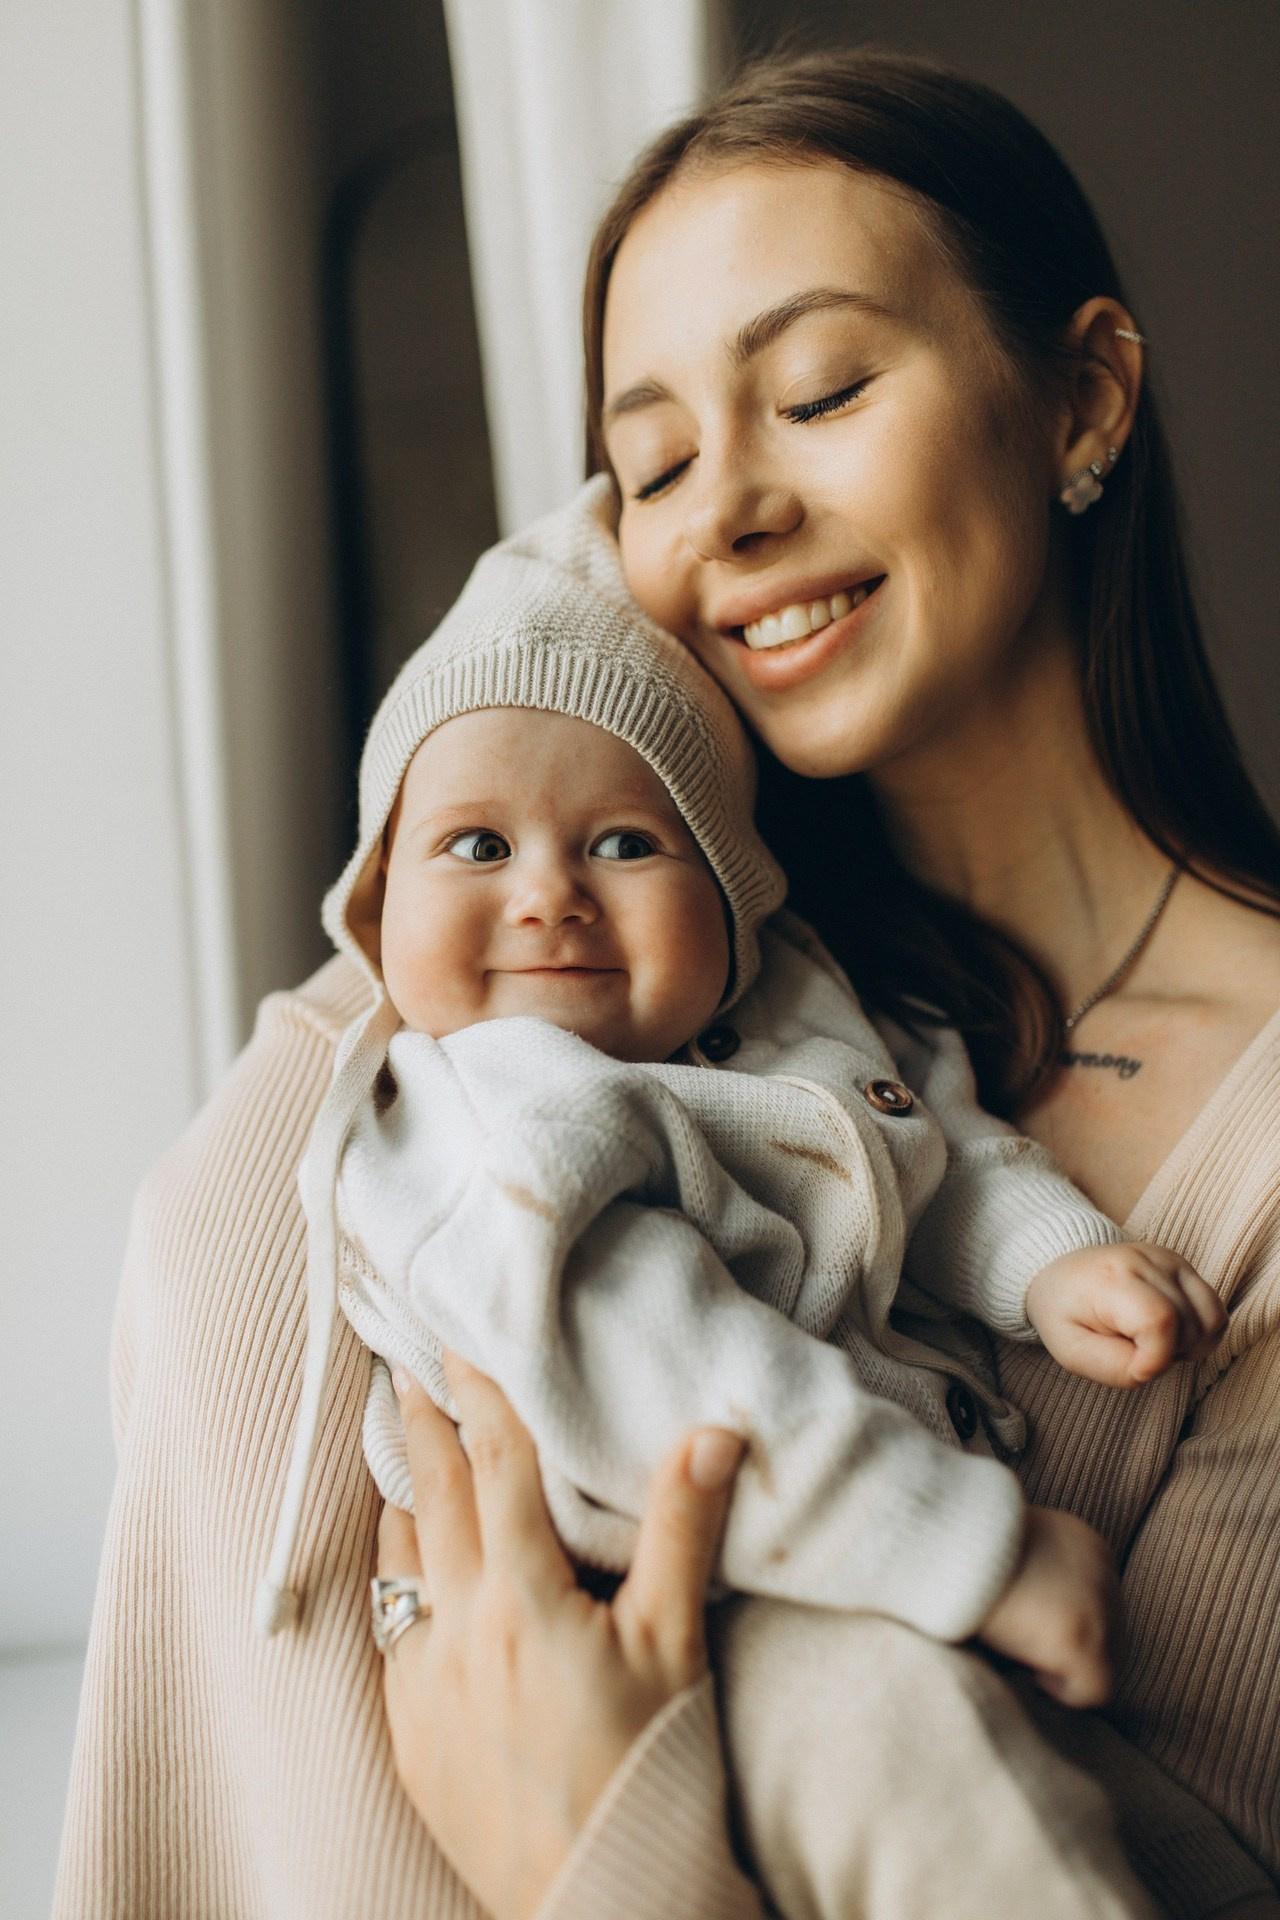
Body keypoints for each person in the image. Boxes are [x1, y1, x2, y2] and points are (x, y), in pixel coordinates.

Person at [53, 45, 1280, 1920]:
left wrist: (597, 1848)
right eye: (651, 462)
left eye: (819, 390)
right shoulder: (540, 981)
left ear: (1083, 398)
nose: (724, 517)